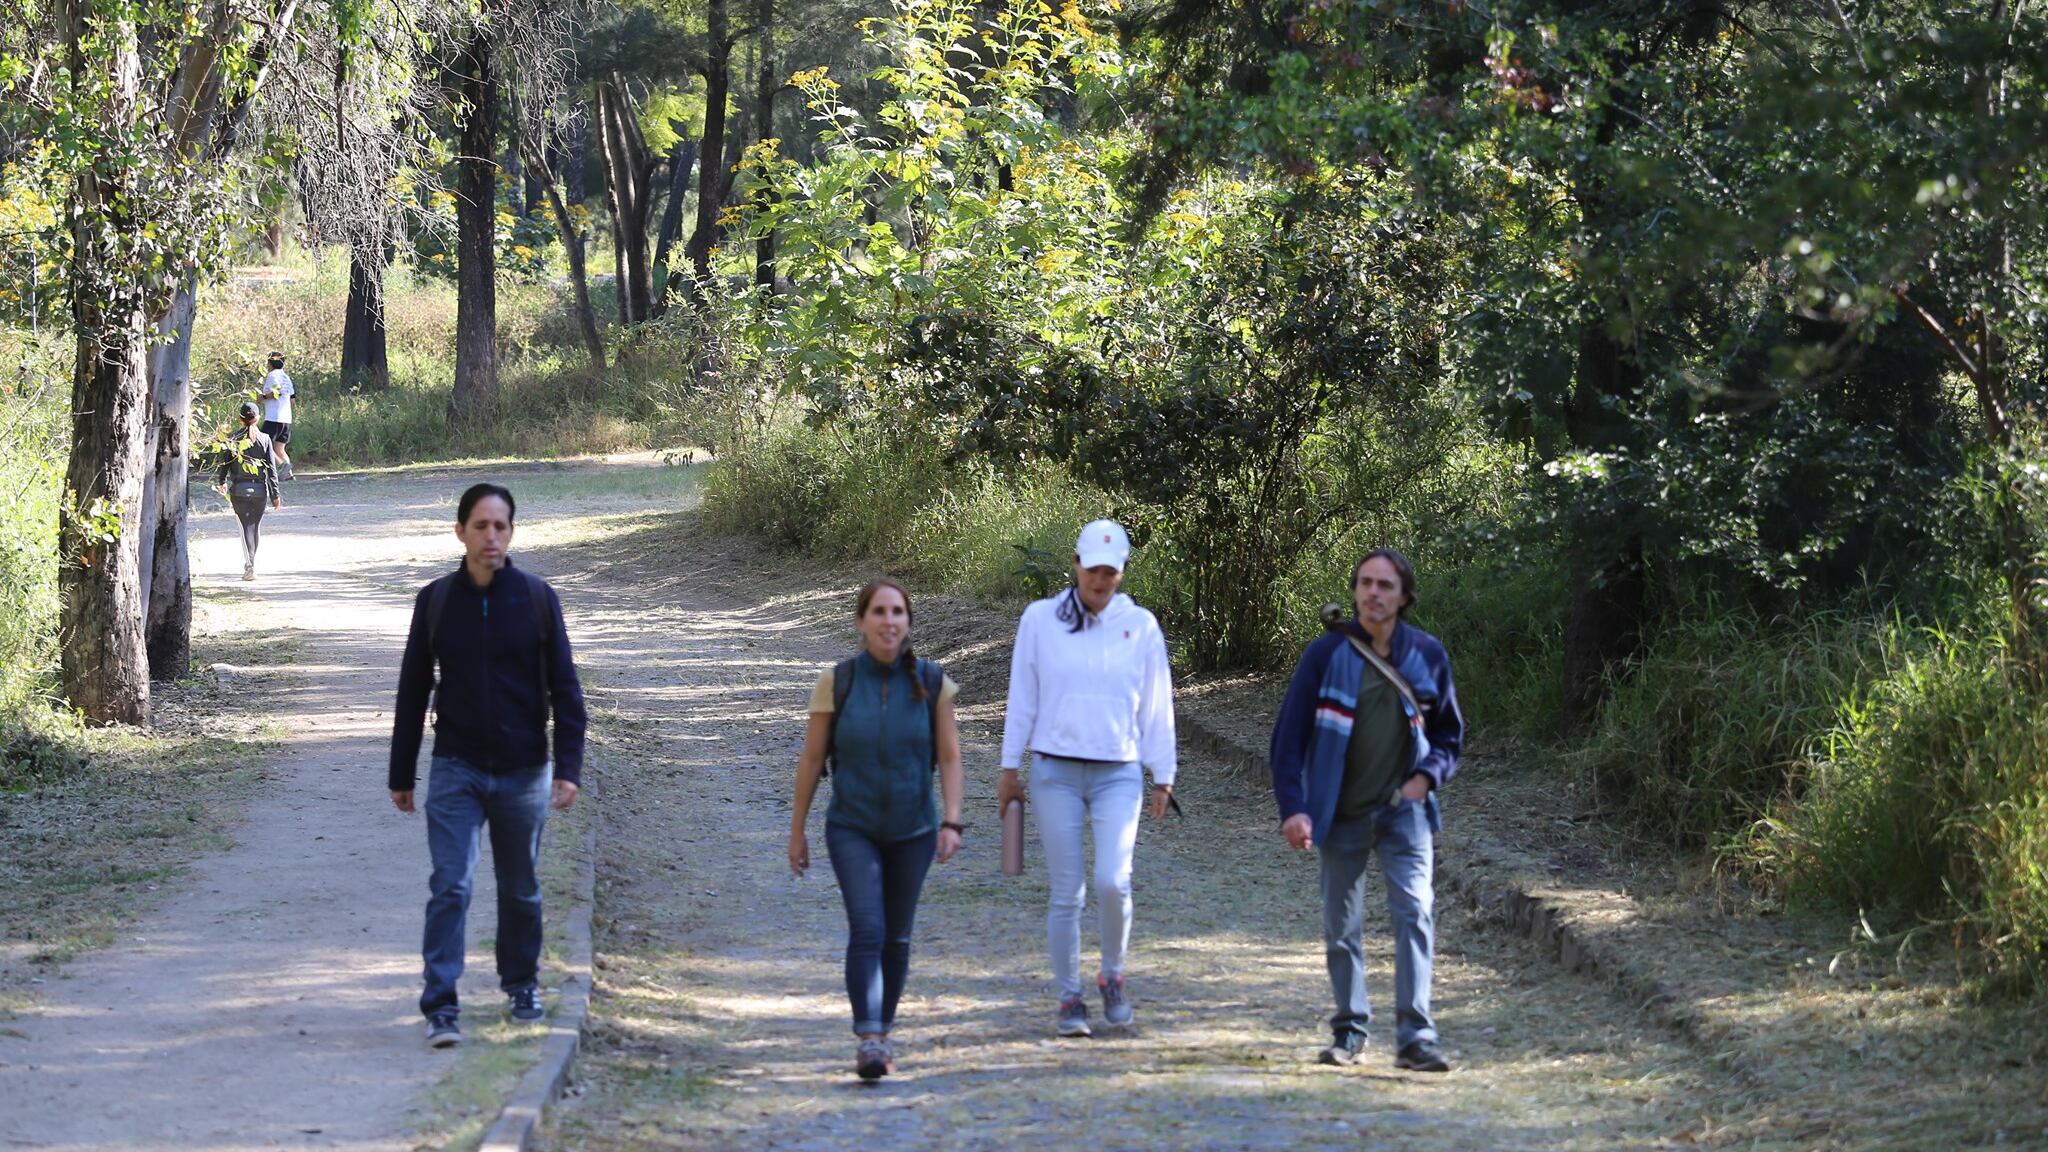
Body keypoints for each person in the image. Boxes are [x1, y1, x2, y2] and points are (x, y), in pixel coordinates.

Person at [388, 483, 589, 1050]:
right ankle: (441, 1004)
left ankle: (521, 984)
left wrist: (567, 768)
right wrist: (402, 773)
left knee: (520, 888)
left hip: (524, 770)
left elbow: (567, 692)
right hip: (457, 768)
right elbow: (412, 689)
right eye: (480, 526)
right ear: (461, 532)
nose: (491, 536)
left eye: (500, 526)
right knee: (451, 884)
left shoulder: (536, 598)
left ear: (512, 533)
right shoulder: (436, 601)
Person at [1267, 548, 1463, 1073]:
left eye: (1385, 585)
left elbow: (1449, 735)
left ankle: (1416, 1038)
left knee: (1414, 915)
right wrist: (1295, 808)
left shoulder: (1427, 655)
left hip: (1406, 813)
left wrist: (1424, 780)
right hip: (1341, 813)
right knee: (1342, 925)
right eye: (1365, 583)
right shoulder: (1326, 654)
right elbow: (1288, 740)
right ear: (1355, 591)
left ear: (1404, 597)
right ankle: (1349, 1032)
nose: (1374, 593)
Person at [997, 519, 1177, 1038]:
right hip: (1055, 770)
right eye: (1092, 569)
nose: (1100, 580)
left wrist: (1163, 774)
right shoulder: (1040, 619)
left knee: (1112, 881)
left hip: (1118, 772)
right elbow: (1023, 696)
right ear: (1075, 565)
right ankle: (1068, 996)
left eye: (1110, 572)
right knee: (1067, 891)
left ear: (1121, 572)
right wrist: (1010, 768)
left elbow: (1157, 704)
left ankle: (1112, 975)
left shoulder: (1140, 626)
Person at [788, 577, 966, 1080]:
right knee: (868, 928)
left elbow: (950, 757)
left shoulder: (933, 683)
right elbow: (812, 758)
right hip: (852, 826)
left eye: (898, 612)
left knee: (898, 938)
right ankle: (868, 1037)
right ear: (861, 621)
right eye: (879, 612)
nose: (889, 621)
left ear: (908, 622)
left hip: (914, 829)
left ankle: (881, 1032)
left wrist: (952, 820)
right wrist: (797, 829)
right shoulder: (837, 682)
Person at [213, 401, 280, 582]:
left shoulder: (233, 438)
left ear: (240, 419)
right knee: (255, 528)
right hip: (260, 491)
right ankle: (252, 563)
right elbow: (271, 470)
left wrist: (222, 482)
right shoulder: (265, 439)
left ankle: (250, 566)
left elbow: (224, 465)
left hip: (239, 491)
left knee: (244, 529)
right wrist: (276, 495)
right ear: (258, 418)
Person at [257, 351, 296, 480]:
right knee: (279, 449)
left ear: (270, 363)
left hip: (274, 418)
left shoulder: (272, 375)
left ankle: (282, 466)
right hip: (286, 419)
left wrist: (261, 398)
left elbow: (276, 393)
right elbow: (292, 400)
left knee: (263, 445)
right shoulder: (286, 377)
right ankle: (289, 475)